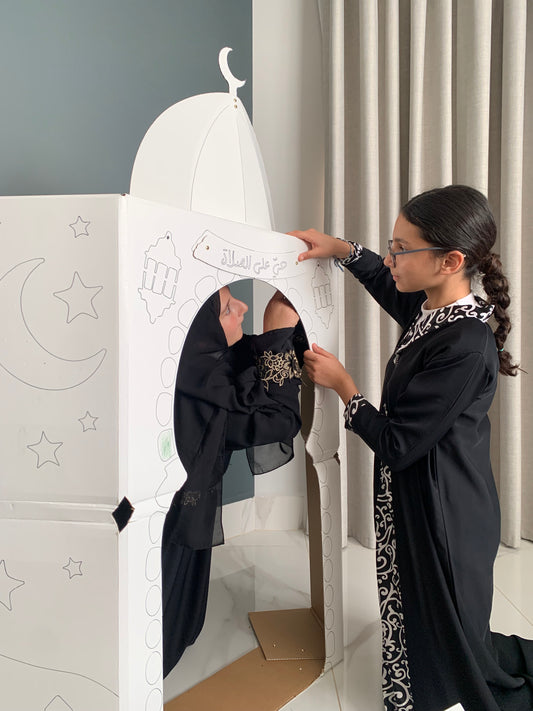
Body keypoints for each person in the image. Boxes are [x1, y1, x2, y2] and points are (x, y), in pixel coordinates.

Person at [291, 185, 533, 711]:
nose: (390, 259)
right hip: (427, 494)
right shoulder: (435, 310)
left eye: (402, 249)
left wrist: (344, 386)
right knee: (415, 607)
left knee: (437, 616)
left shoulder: (464, 344)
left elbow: (398, 445)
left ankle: (429, 694)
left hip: (444, 511)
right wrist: (341, 248)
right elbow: (387, 282)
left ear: (450, 261)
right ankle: (422, 684)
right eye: (390, 245)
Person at [162, 285, 306, 678]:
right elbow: (279, 420)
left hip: (183, 506)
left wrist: (281, 333)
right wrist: (277, 335)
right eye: (228, 308)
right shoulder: (205, 393)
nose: (242, 306)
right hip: (175, 519)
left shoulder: (194, 364)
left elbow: (248, 363)